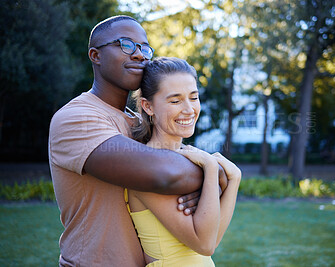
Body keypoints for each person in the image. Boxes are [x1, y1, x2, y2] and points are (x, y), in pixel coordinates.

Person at [48, 15, 227, 266]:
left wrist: (202, 180)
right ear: (95, 55)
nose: (140, 55)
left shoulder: (136, 122)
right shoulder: (77, 118)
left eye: (144, 47)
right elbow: (164, 173)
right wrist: (215, 174)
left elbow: (175, 166)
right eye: (126, 44)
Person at [125, 57, 241, 266]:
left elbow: (212, 241)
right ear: (148, 106)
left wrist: (234, 179)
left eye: (193, 97)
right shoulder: (147, 168)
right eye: (175, 101)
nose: (189, 109)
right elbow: (204, 244)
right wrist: (211, 168)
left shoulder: (185, 159)